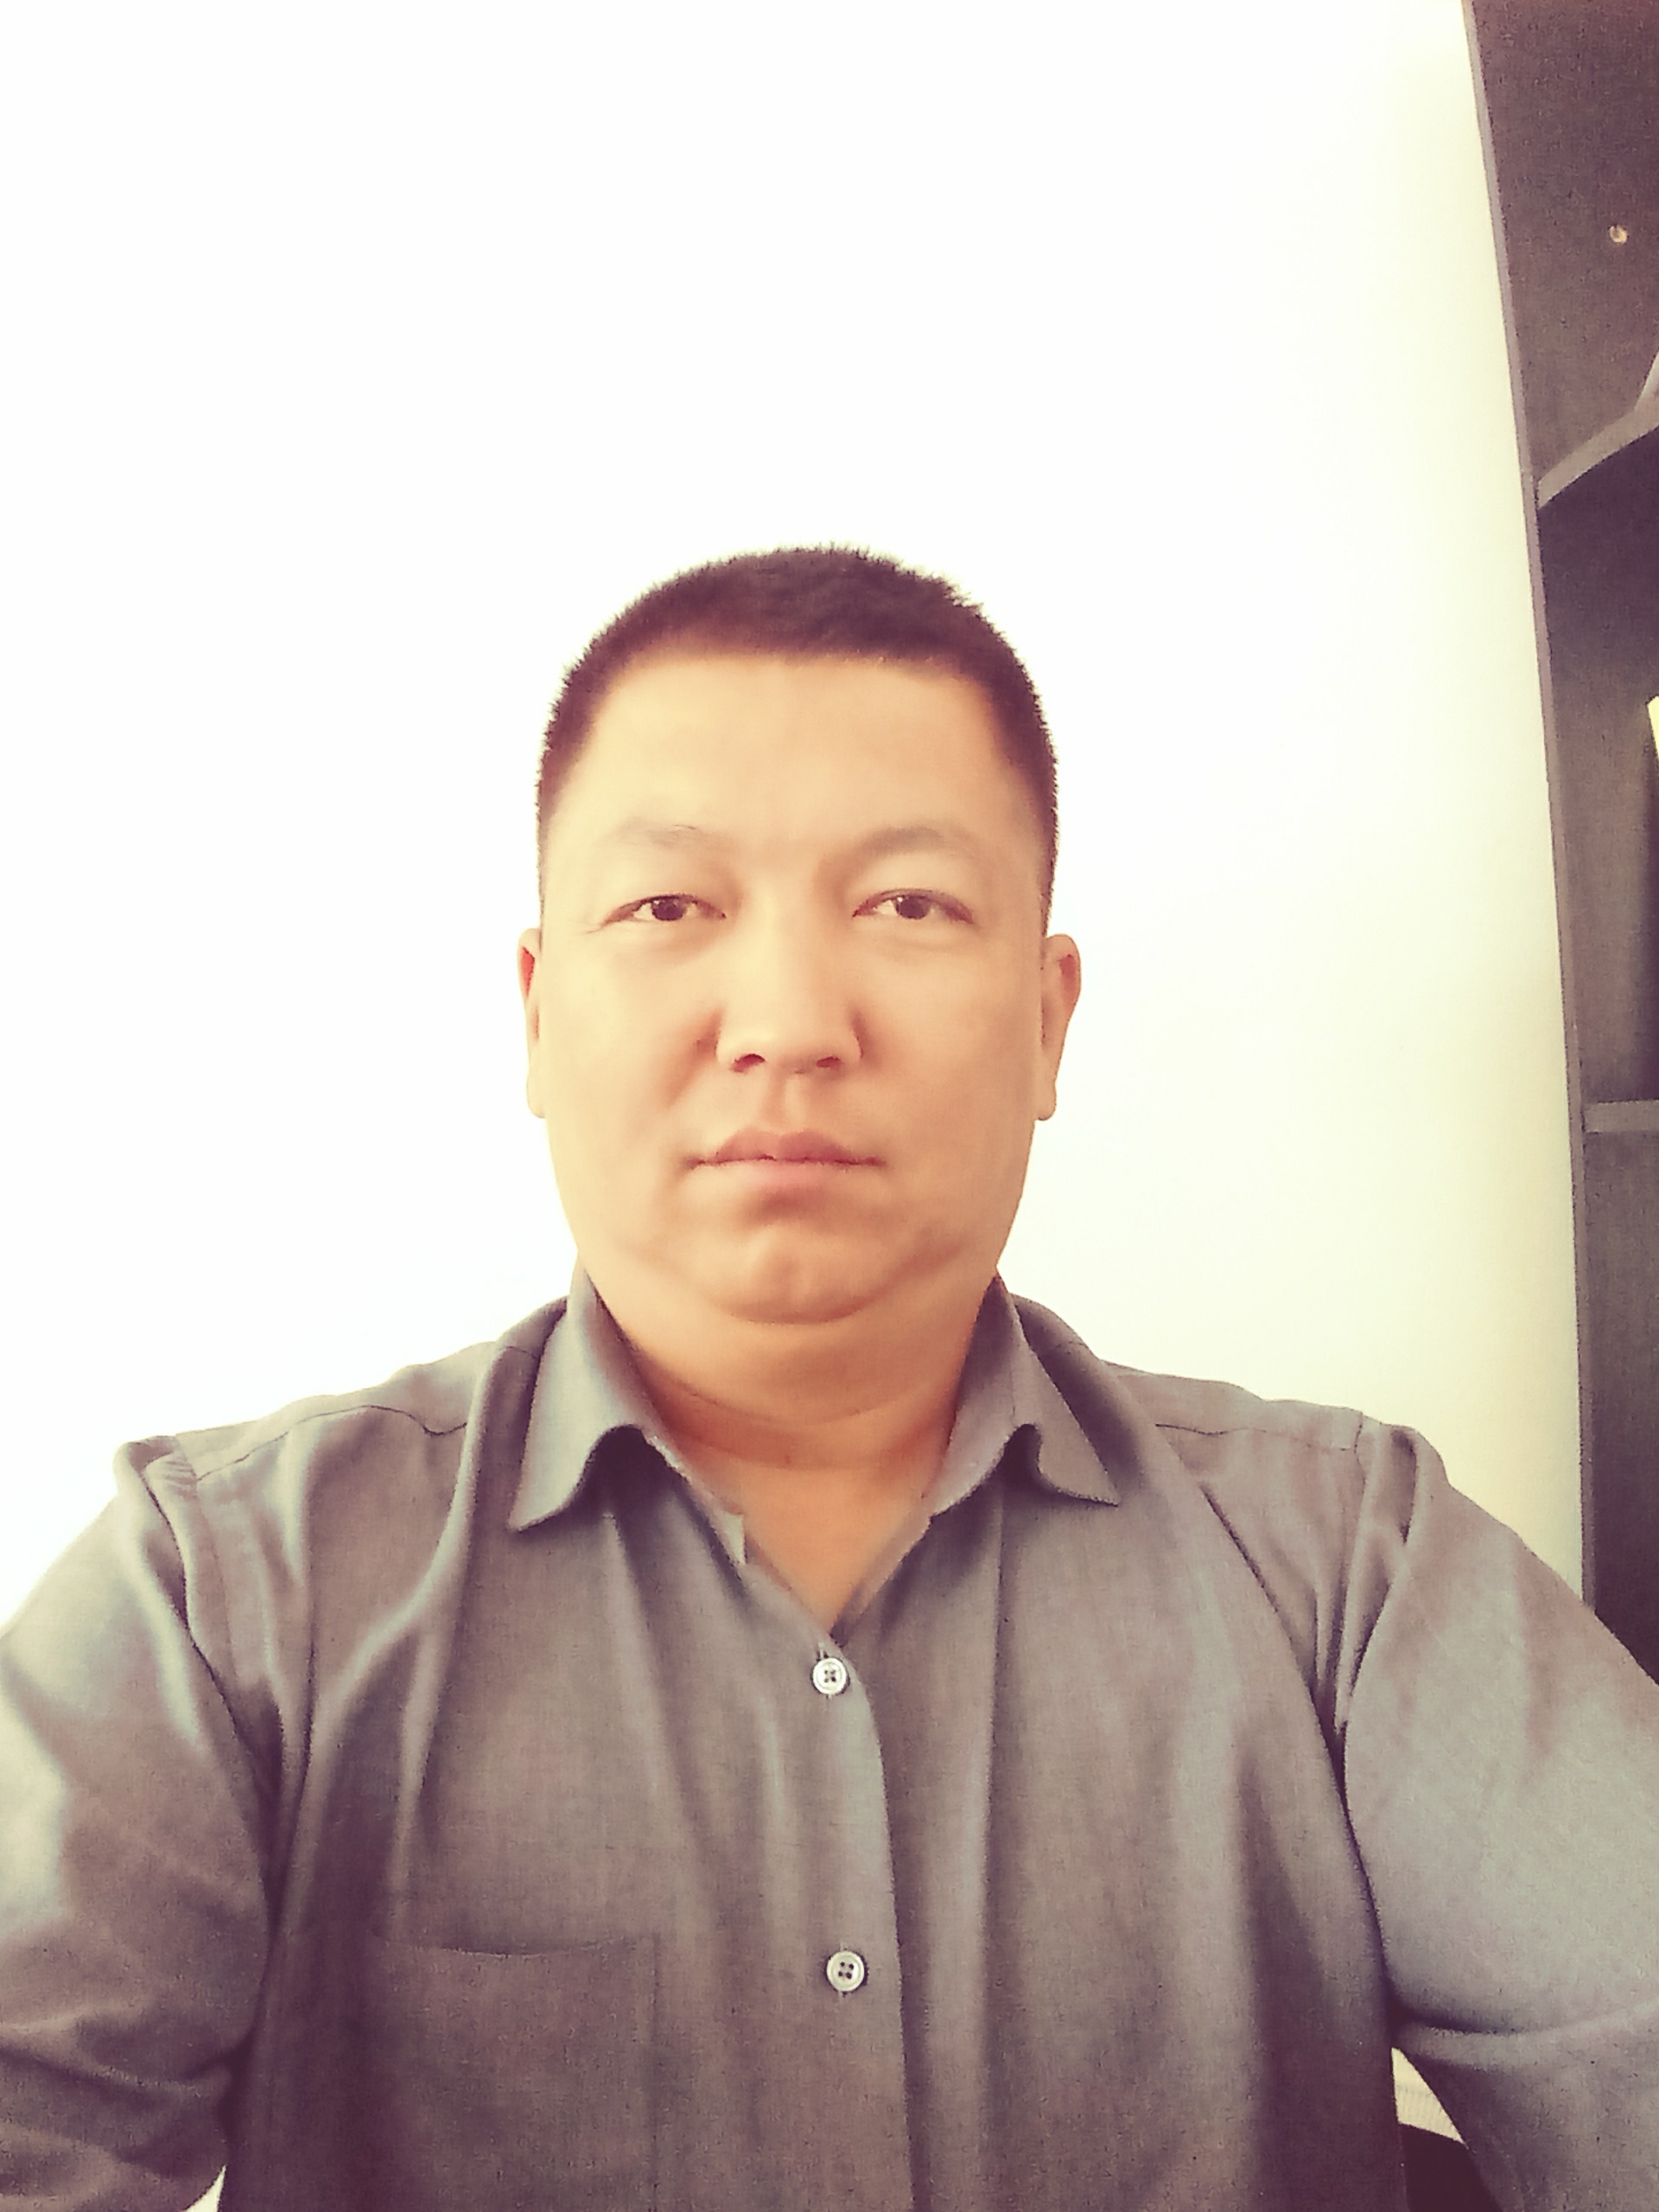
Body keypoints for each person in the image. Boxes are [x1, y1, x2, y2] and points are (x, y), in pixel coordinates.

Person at [2, 546, 1656, 2212]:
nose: (789, 1023)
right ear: (537, 1013)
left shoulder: (1348, 1572)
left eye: (908, 905)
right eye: (669, 908)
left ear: (1047, 1023)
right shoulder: (226, 1599)